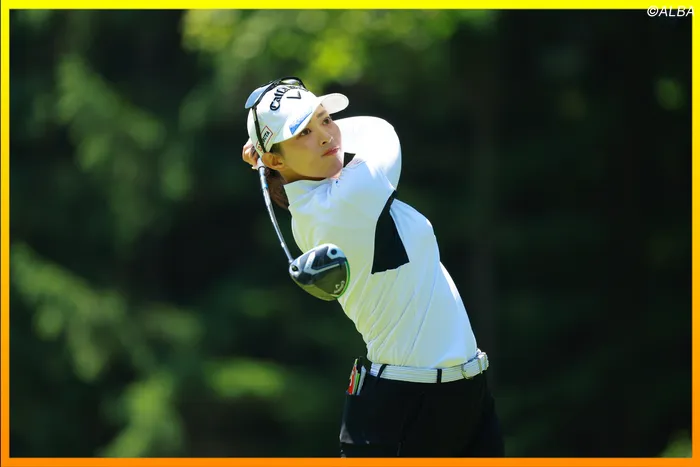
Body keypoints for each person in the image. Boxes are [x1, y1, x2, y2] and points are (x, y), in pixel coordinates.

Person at [241, 76, 505, 458]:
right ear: (276, 160)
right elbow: (379, 131)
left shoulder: (314, 204)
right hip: (406, 409)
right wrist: (266, 156)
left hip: (462, 394)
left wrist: (271, 155)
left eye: (325, 119)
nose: (326, 136)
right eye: (304, 132)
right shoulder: (352, 194)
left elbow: (334, 144)